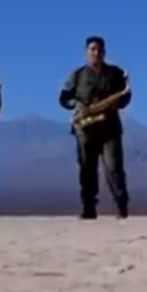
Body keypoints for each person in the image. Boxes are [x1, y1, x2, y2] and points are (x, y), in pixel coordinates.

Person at [58, 36, 132, 219]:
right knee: (87, 169)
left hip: (109, 129)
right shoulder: (76, 75)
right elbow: (63, 98)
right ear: (86, 52)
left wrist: (119, 103)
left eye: (99, 50)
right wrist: (77, 104)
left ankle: (122, 208)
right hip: (86, 130)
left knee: (114, 168)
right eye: (92, 49)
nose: (96, 53)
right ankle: (88, 208)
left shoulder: (115, 73)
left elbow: (126, 96)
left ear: (104, 52)